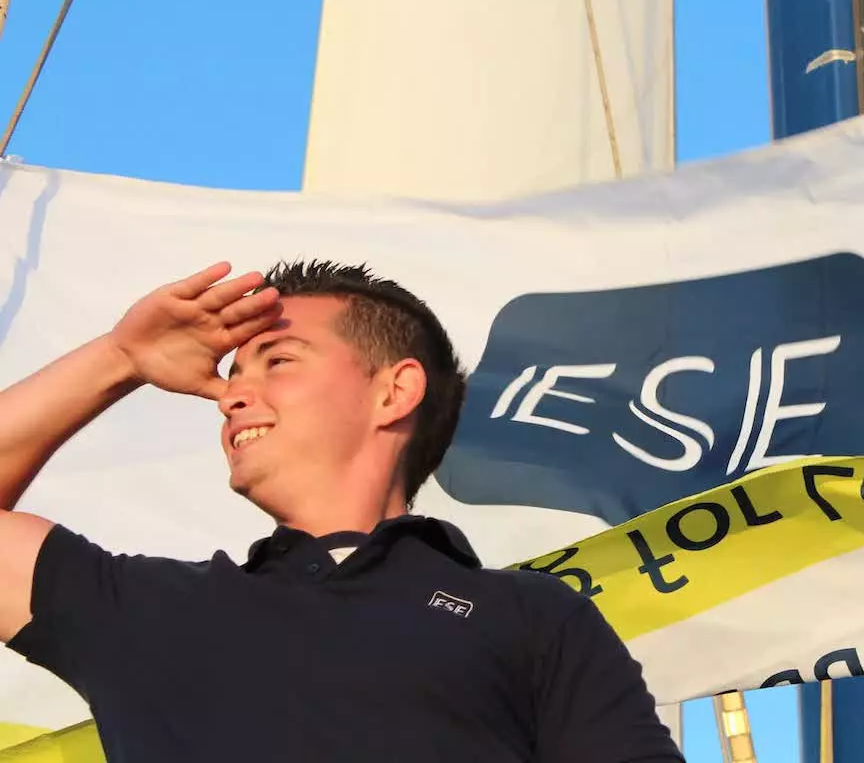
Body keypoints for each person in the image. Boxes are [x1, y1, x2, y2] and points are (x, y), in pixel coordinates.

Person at [0, 260, 684, 762]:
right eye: (232, 376)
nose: (231, 397)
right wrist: (120, 358)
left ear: (395, 392)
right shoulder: (142, 610)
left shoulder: (532, 615)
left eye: (278, 361)